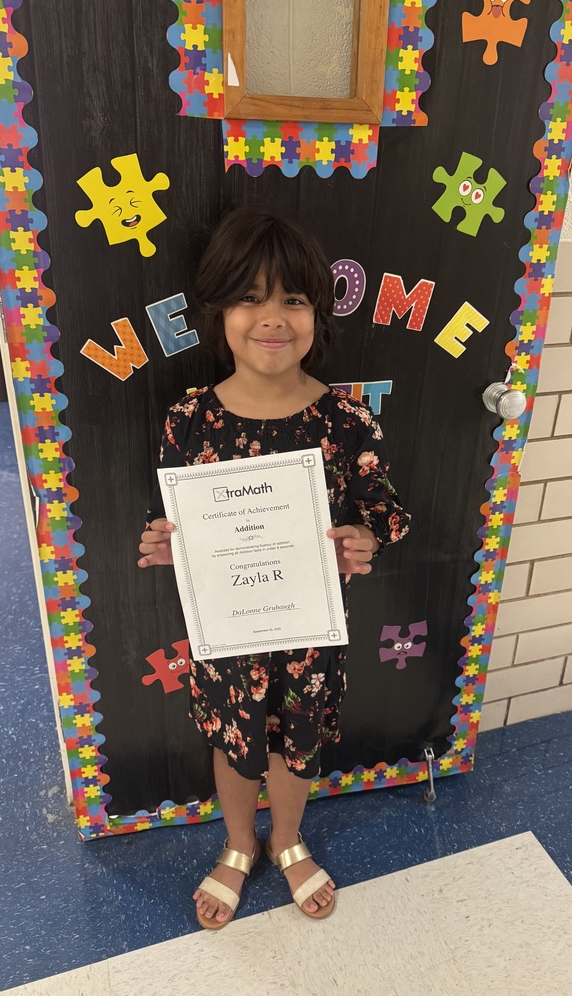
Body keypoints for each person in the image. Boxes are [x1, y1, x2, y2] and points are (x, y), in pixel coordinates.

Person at [138, 207, 410, 930]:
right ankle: (238, 844)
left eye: (293, 299)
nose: (273, 318)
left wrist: (364, 539)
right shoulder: (187, 421)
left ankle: (286, 839)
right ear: (219, 311)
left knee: (299, 741)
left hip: (310, 634)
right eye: (250, 297)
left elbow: (385, 512)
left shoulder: (347, 421)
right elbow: (180, 517)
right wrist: (171, 543)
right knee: (234, 738)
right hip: (228, 633)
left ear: (317, 313)